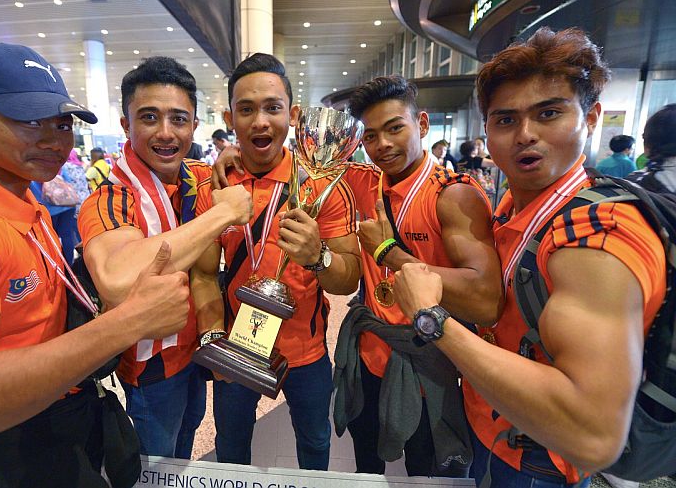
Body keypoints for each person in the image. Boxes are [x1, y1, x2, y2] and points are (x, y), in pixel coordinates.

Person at [0, 42, 192, 487]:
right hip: (8, 444)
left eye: (62, 123)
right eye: (28, 120)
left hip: (68, 415)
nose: (53, 139)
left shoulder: (25, 202)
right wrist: (127, 322)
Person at [392, 27, 666, 487]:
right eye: (505, 120)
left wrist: (430, 319)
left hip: (538, 461)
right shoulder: (515, 206)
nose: (525, 135)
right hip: (494, 427)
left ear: (592, 117)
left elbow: (595, 435)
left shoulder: (597, 238)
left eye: (549, 113)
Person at [77, 56, 252, 459]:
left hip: (196, 350)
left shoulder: (196, 175)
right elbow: (118, 280)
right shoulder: (111, 198)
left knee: (184, 451)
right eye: (149, 117)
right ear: (126, 125)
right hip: (151, 368)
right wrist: (222, 213)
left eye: (178, 119)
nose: (165, 133)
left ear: (194, 124)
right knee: (158, 464)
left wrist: (234, 154)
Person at [193, 53, 361, 470]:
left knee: (314, 444)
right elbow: (201, 273)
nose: (260, 121)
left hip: (305, 353)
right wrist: (212, 337)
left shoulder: (322, 185)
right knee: (231, 452)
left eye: (272, 107)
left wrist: (318, 256)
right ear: (230, 117)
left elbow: (347, 280)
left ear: (294, 113)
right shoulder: (216, 186)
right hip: (236, 349)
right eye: (246, 110)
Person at [333, 75, 502, 476]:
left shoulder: (453, 194)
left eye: (395, 128)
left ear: (422, 124)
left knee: (428, 475)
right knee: (366, 469)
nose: (383, 145)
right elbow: (300, 170)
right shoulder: (363, 182)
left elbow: (485, 299)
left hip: (430, 364)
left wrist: (388, 253)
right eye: (371, 136)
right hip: (370, 354)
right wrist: (227, 156)